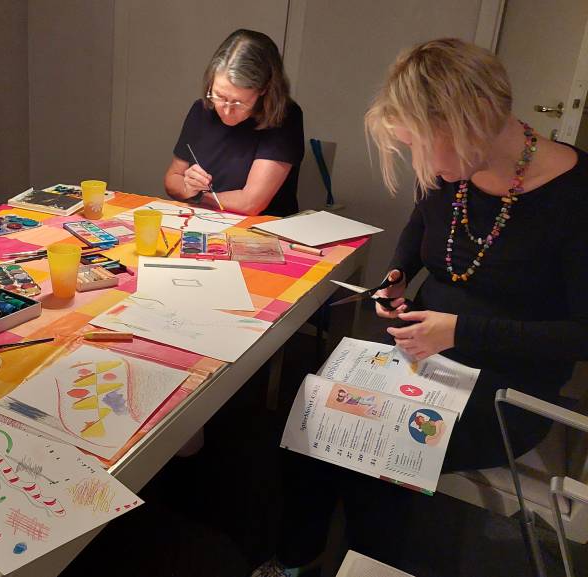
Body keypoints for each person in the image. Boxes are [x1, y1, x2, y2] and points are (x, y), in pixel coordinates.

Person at [252, 38, 587, 577]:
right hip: (422, 349)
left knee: (376, 456)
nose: (417, 163)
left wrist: (462, 331)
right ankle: (295, 561)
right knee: (312, 415)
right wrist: (398, 273)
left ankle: (370, 566)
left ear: (469, 125)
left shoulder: (574, 198)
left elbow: (581, 335)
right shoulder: (453, 171)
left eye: (419, 147)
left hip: (506, 384)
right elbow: (419, 226)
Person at [164, 29, 304, 216]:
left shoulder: (283, 118)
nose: (227, 110)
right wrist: (188, 186)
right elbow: (172, 179)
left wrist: (197, 196)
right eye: (219, 96)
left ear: (263, 89)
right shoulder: (202, 110)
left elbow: (250, 203)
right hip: (203, 224)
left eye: (239, 102)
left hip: (260, 233)